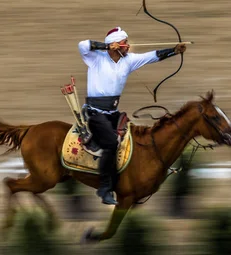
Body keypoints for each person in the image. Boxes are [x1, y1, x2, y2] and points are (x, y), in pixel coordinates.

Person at [78, 26, 187, 205]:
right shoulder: (95, 59)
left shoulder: (128, 61)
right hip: (94, 114)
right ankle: (104, 188)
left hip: (113, 114)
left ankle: (126, 179)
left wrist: (174, 50)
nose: (128, 46)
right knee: (112, 143)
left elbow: (152, 56)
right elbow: (82, 45)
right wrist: (106, 47)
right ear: (115, 45)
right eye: (124, 43)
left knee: (130, 139)